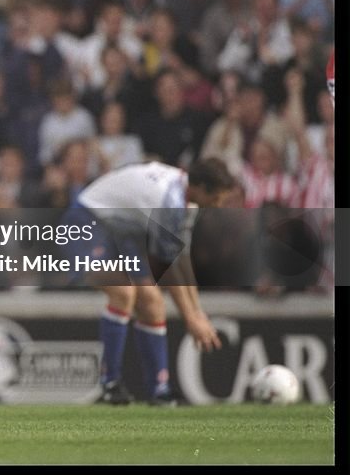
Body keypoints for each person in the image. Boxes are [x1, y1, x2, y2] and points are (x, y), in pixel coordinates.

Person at [60, 158, 238, 405]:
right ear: (201, 188)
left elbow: (181, 258)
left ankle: (159, 391)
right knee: (123, 293)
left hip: (121, 231)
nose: (219, 206)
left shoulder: (186, 199)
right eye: (217, 198)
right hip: (85, 221)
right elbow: (171, 270)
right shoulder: (170, 203)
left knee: (153, 303)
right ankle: (109, 384)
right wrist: (191, 320)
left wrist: (198, 312)